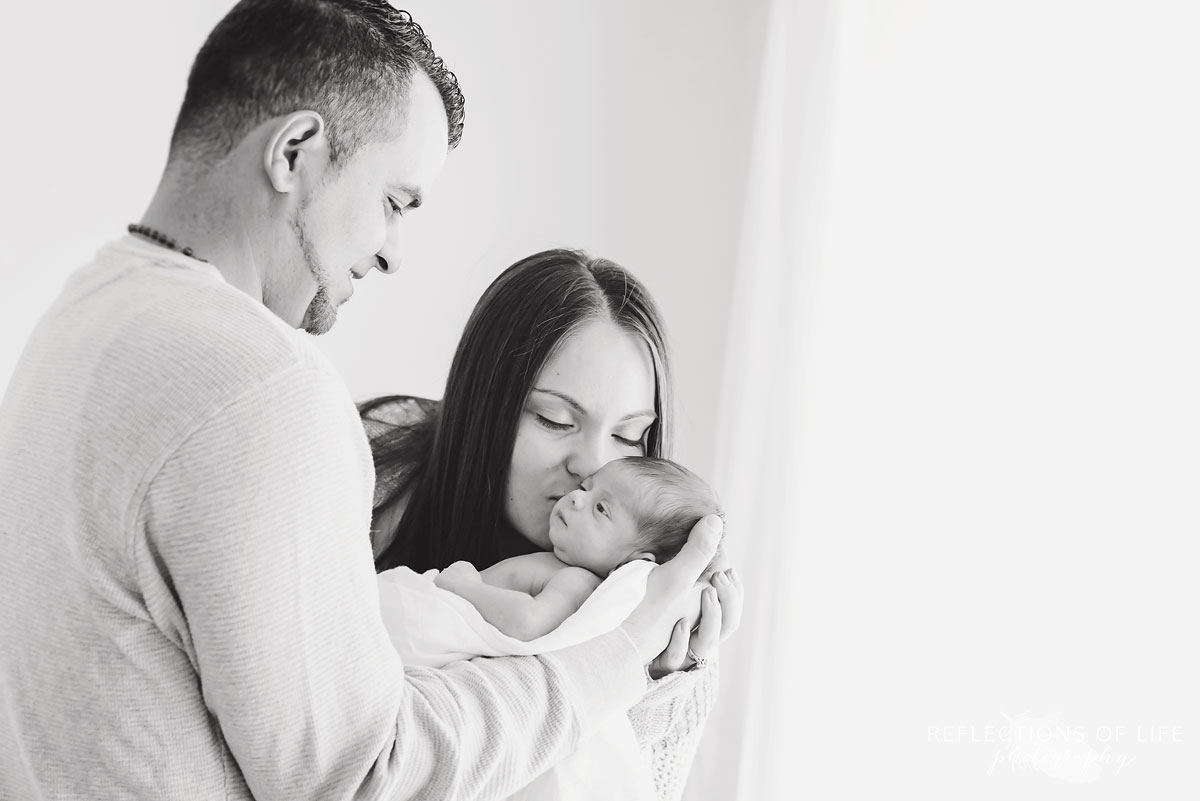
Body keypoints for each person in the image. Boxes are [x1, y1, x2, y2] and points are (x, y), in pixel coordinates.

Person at [0, 3, 722, 800]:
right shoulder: (263, 389)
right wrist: (615, 659)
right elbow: (358, 776)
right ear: (295, 152)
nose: (392, 251)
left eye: (630, 434)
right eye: (395, 201)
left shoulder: (78, 318)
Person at [360, 249, 744, 800]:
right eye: (555, 420)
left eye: (629, 436)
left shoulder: (644, 596)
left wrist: (655, 675)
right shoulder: (373, 471)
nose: (592, 466)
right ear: (486, 404)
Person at [433, 456, 724, 642]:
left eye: (600, 508)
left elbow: (528, 622)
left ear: (632, 564)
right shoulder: (560, 566)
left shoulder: (578, 582)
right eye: (586, 488)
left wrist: (463, 587)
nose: (574, 497)